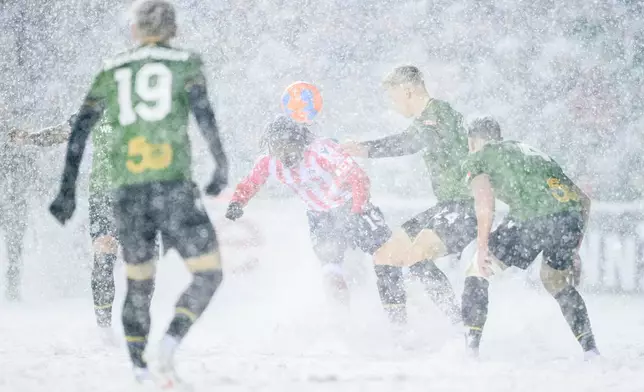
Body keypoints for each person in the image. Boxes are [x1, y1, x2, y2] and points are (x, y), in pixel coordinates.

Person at [48, 0, 229, 386]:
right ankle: (168, 346)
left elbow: (79, 131)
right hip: (173, 186)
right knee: (208, 273)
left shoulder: (112, 70)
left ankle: (139, 370)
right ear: (174, 29)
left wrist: (66, 191)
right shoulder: (186, 62)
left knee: (138, 280)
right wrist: (220, 164)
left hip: (126, 193)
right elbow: (203, 113)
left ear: (134, 30)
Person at [225, 115, 407, 323]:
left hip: (353, 206)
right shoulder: (269, 162)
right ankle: (343, 325)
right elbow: (251, 182)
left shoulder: (321, 151)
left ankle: (399, 320)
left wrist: (356, 211)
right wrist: (237, 202)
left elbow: (358, 177)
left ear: (299, 141)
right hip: (320, 218)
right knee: (331, 271)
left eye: (288, 147)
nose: (285, 155)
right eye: (278, 149)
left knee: (387, 256)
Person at [341, 65, 475, 324]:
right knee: (385, 256)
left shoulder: (440, 113)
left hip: (464, 207)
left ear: (408, 91)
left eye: (394, 97)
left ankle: (460, 325)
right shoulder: (425, 120)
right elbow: (411, 139)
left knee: (416, 255)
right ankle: (399, 332)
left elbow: (408, 143)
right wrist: (363, 149)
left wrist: (364, 148)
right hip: (446, 206)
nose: (393, 104)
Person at [460, 117, 599, 359]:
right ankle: (591, 350)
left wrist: (482, 247)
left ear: (472, 142)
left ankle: (470, 350)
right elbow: (584, 200)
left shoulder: (479, 156)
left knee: (476, 271)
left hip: (533, 219)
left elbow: (485, 203)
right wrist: (574, 250)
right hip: (570, 217)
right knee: (554, 279)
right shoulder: (532, 152)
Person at [0, 119, 71, 301]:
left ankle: (13, 285)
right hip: (14, 202)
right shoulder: (14, 141)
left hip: (16, 203)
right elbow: (33, 174)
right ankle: (12, 285)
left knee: (15, 247)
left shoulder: (17, 140)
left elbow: (32, 173)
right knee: (14, 246)